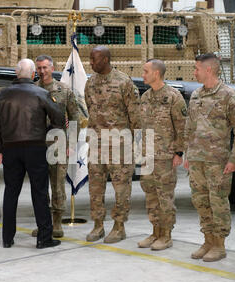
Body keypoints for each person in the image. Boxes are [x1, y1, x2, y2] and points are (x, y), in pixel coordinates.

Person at [0, 58, 65, 249]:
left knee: (10, 192)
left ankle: (7, 238)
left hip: (10, 149)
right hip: (36, 148)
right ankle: (44, 238)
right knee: (39, 192)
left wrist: (1, 147)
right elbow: (59, 118)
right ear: (33, 74)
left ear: (16, 73)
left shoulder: (2, 95)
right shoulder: (41, 93)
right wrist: (47, 134)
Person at [184, 53, 235, 262]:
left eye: (196, 68)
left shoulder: (229, 96)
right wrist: (187, 153)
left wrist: (233, 159)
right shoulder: (196, 95)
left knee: (218, 203)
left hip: (218, 162)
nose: (194, 72)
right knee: (201, 202)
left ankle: (219, 245)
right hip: (197, 160)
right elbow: (189, 127)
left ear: (208, 69)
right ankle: (208, 240)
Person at [84, 46, 141, 243]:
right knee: (95, 187)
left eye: (95, 59)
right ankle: (98, 224)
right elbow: (89, 109)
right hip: (96, 145)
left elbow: (135, 115)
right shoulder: (90, 83)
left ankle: (119, 226)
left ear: (106, 60)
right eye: (90, 59)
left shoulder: (124, 82)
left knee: (121, 188)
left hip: (119, 145)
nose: (91, 63)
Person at [31, 55, 81, 239]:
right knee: (39, 186)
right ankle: (44, 224)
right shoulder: (32, 89)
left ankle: (57, 223)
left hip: (59, 144)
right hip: (37, 145)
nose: (42, 71)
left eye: (45, 67)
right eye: (39, 68)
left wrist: (72, 144)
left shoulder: (64, 90)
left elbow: (75, 117)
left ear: (53, 68)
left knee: (58, 185)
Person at [138, 59, 187, 250]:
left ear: (156, 73)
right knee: (150, 196)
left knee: (164, 197)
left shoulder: (173, 97)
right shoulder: (145, 97)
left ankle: (166, 235)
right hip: (147, 156)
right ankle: (155, 232)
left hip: (165, 157)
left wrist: (179, 152)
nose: (142, 75)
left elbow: (182, 127)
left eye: (145, 71)